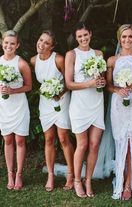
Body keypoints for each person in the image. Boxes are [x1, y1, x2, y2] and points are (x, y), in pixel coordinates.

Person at [107, 24, 132, 200]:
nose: (127, 40)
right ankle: (121, 178)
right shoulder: (112, 60)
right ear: (119, 38)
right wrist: (118, 90)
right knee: (121, 141)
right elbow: (108, 85)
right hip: (118, 104)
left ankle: (129, 184)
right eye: (124, 37)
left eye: (130, 36)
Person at [65, 22, 106, 198]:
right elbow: (69, 84)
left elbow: (102, 77)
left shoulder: (98, 54)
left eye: (85, 35)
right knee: (81, 144)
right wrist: (89, 83)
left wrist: (101, 82)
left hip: (96, 102)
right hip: (80, 105)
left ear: (90, 34)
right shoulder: (71, 54)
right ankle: (76, 180)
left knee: (94, 144)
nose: (83, 38)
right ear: (76, 37)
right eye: (80, 36)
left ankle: (88, 180)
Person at [30, 30, 74, 192]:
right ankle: (50, 175)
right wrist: (48, 92)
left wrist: (59, 93)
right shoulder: (33, 61)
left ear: (52, 46)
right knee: (49, 139)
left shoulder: (59, 59)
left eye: (46, 43)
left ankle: (71, 174)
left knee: (63, 139)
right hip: (45, 102)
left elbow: (69, 82)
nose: (41, 44)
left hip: (61, 100)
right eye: (40, 40)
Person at [0, 30, 32, 190]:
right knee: (8, 140)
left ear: (17, 45)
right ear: (2, 43)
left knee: (19, 140)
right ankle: (9, 174)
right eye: (6, 42)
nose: (9, 46)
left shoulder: (22, 64)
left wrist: (12, 91)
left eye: (12, 43)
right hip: (4, 107)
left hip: (19, 106)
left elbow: (29, 86)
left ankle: (19, 174)